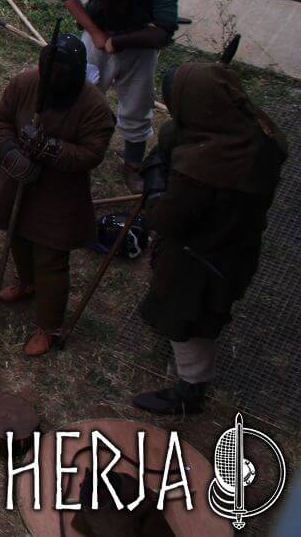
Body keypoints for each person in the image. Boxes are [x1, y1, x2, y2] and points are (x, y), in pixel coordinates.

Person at [133, 61, 288, 415]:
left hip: (199, 256)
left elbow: (167, 219)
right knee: (201, 309)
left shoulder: (206, 167)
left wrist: (155, 186)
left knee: (185, 314)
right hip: (237, 245)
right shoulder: (256, 133)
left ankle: (190, 389)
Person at [0, 33, 116, 356]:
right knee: (16, 234)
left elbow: (91, 154)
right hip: (18, 180)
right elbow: (2, 118)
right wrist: (10, 152)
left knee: (51, 258)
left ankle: (49, 326)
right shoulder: (25, 83)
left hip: (60, 191)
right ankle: (27, 282)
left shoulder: (95, 107)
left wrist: (50, 148)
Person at [57, 0, 179, 179]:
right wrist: (95, 32)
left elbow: (164, 30)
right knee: (79, 91)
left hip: (140, 42)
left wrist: (119, 41)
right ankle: (72, 150)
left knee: (137, 105)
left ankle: (132, 165)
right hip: (97, 37)